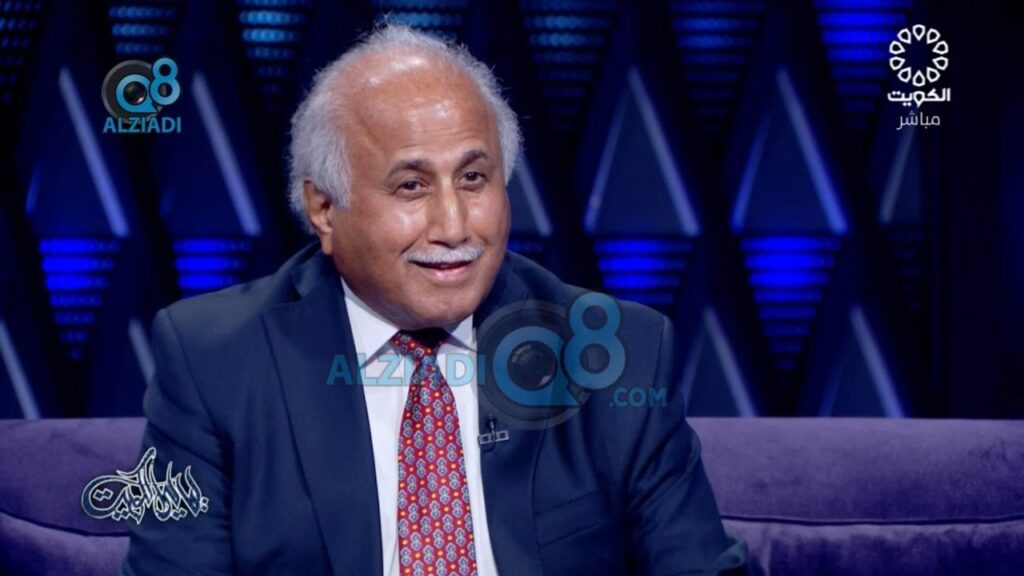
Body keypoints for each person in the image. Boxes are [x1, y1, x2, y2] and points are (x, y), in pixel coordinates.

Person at [121, 24, 747, 576]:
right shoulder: (215, 361)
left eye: (473, 179)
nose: (454, 226)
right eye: (411, 186)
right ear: (324, 209)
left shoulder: (616, 353)